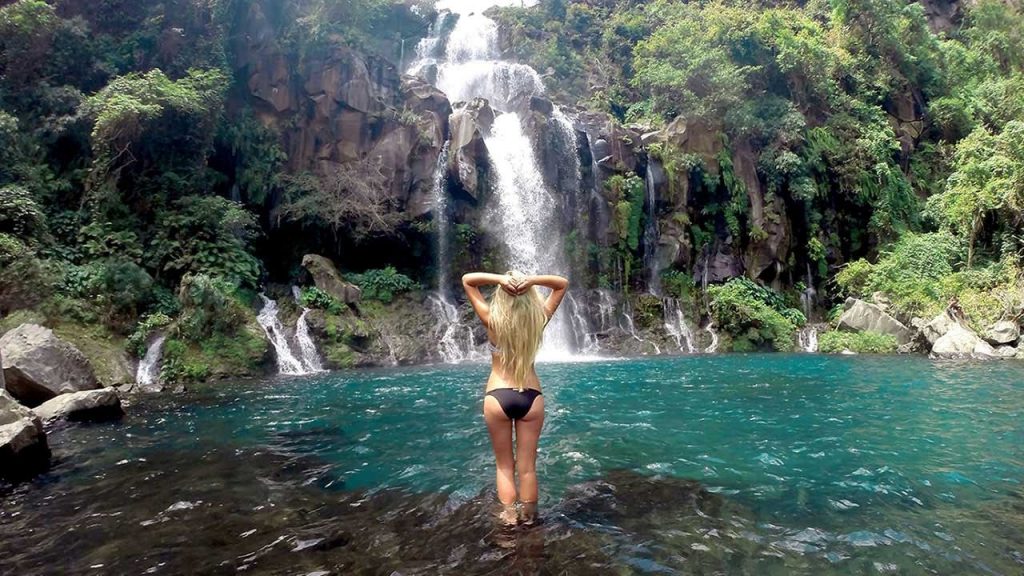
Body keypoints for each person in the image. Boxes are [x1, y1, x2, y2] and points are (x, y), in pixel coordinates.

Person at [461, 271, 568, 525]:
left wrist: (500, 279)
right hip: (531, 396)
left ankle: (509, 521)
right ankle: (530, 521)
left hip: (497, 396)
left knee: (504, 467)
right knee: (527, 468)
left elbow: (467, 280)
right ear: (529, 297)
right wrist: (531, 281)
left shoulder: (492, 320)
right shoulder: (538, 319)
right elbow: (561, 285)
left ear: (503, 296)